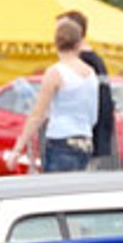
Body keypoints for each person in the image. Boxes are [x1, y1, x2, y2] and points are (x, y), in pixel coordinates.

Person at [10, 17, 99, 173]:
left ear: (56, 44)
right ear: (79, 44)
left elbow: (38, 113)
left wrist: (18, 147)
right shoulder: (91, 73)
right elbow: (93, 115)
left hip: (61, 139)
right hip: (85, 139)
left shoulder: (55, 73)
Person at [55, 9, 117, 169]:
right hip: (91, 136)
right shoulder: (95, 61)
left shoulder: (83, 63)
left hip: (81, 137)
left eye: (61, 30)